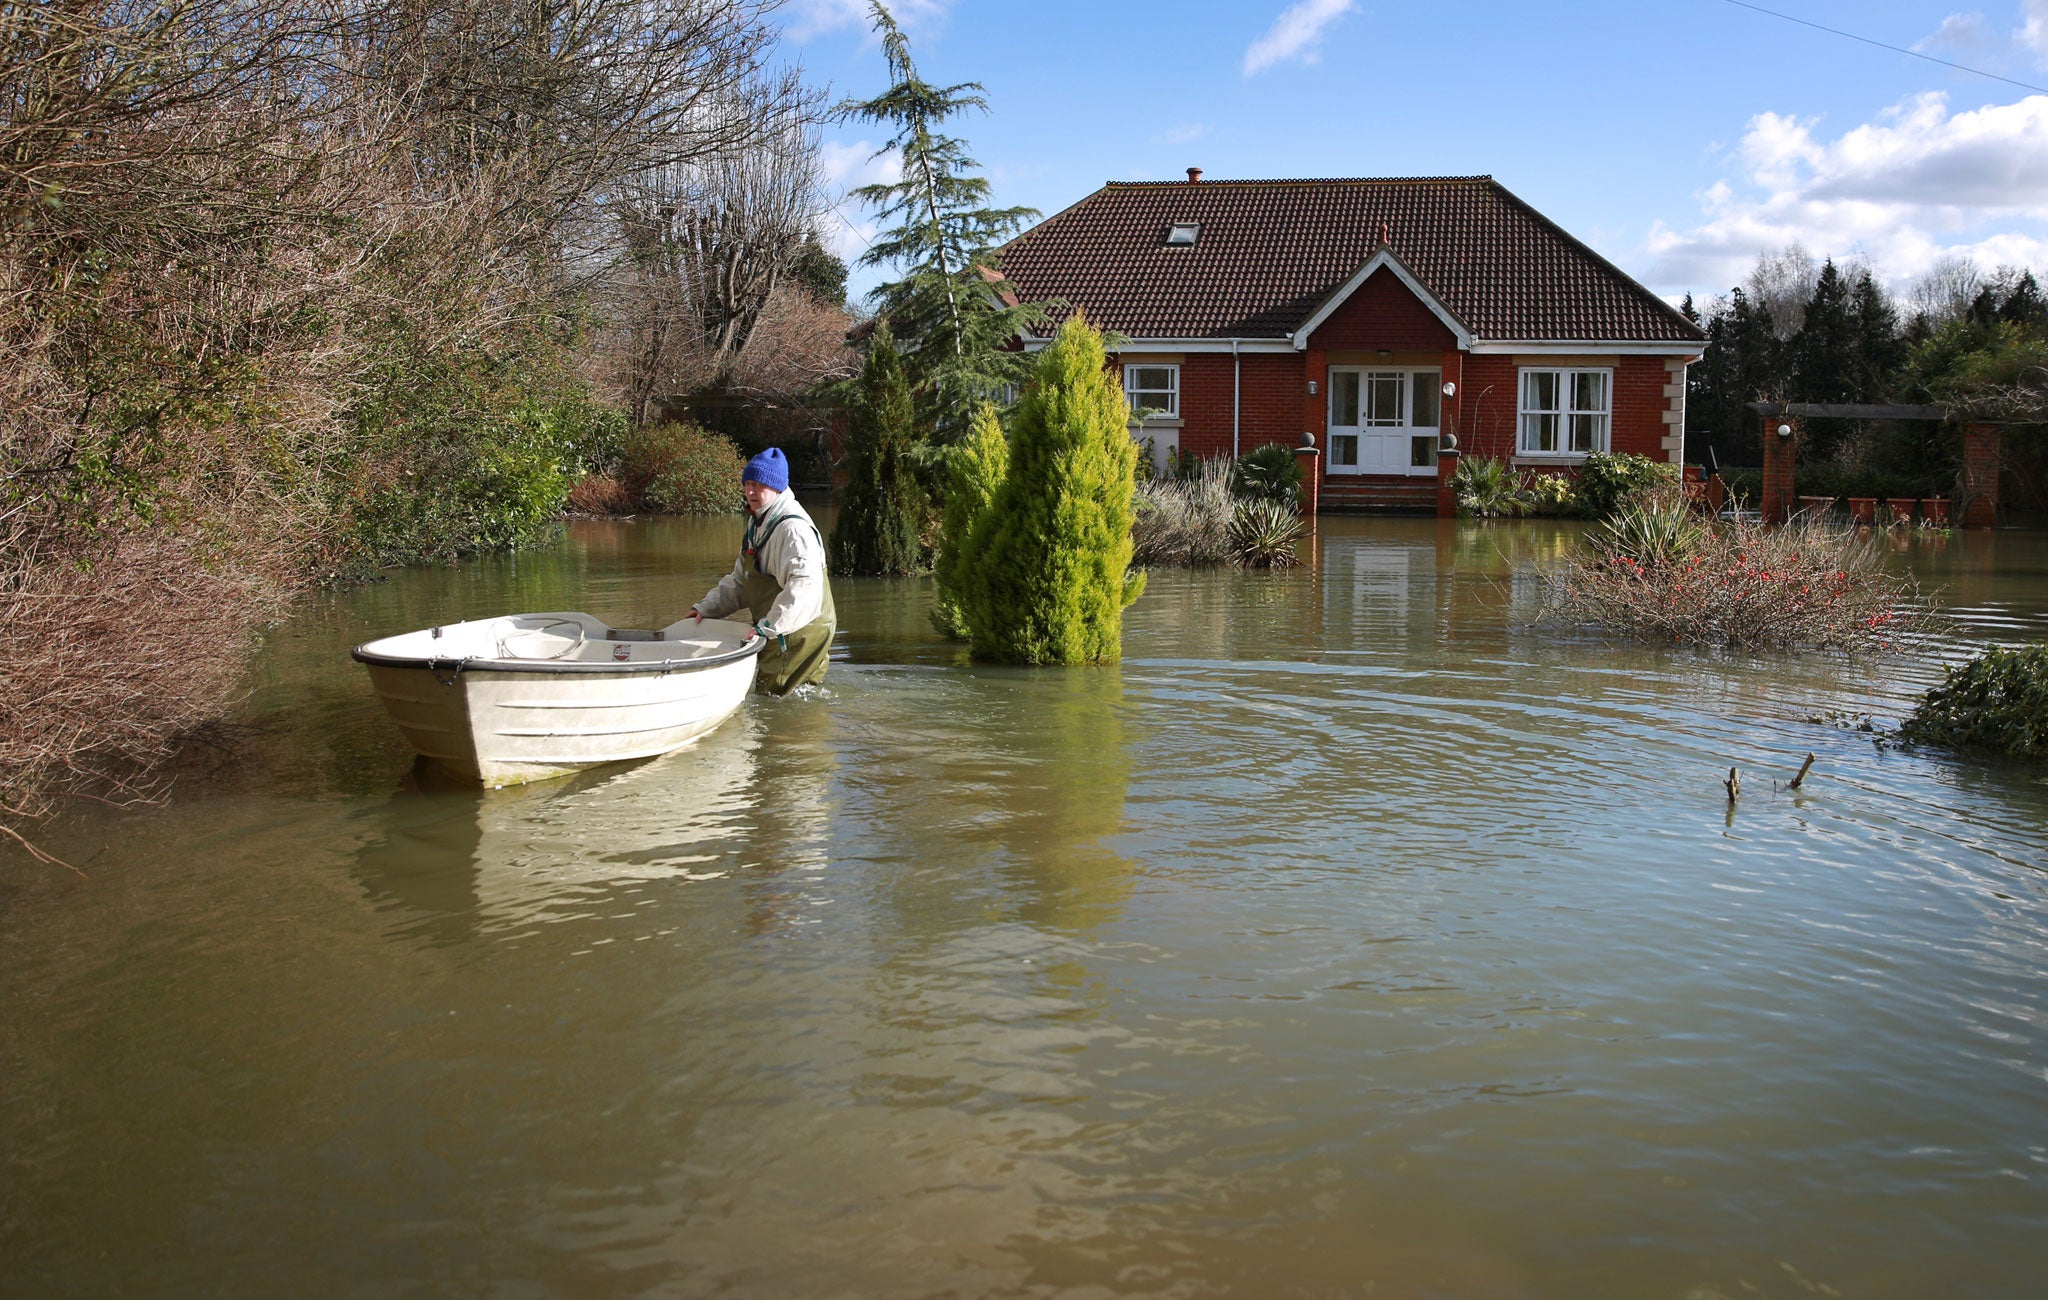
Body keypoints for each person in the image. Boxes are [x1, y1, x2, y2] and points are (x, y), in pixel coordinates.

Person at [689, 448, 837, 694]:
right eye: (747, 484)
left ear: (776, 486)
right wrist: (704, 608)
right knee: (788, 699)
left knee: (774, 701)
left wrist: (768, 627)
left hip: (797, 629)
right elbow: (741, 581)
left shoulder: (792, 530)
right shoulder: (758, 520)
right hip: (778, 628)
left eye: (758, 485)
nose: (749, 492)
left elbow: (803, 586)